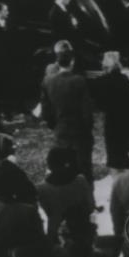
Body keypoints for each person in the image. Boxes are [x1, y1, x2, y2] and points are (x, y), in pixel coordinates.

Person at [41, 41, 95, 184]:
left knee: (64, 169)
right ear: (72, 60)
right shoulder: (79, 81)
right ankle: (88, 202)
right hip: (80, 134)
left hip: (60, 131)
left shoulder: (48, 81)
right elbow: (87, 112)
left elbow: (46, 112)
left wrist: (56, 126)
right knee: (84, 169)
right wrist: (87, 129)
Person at [36, 146, 95, 246]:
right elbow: (90, 207)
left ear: (49, 164)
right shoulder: (80, 181)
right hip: (82, 231)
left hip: (55, 233)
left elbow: (48, 211)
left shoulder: (41, 188)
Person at [93, 51, 129, 171]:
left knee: (113, 153)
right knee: (125, 150)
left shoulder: (100, 82)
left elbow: (98, 104)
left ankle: (116, 177)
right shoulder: (124, 80)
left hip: (111, 120)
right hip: (125, 119)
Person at [0, 133, 38, 205]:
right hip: (13, 206)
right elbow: (29, 190)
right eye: (11, 146)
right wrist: (9, 164)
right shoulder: (10, 168)